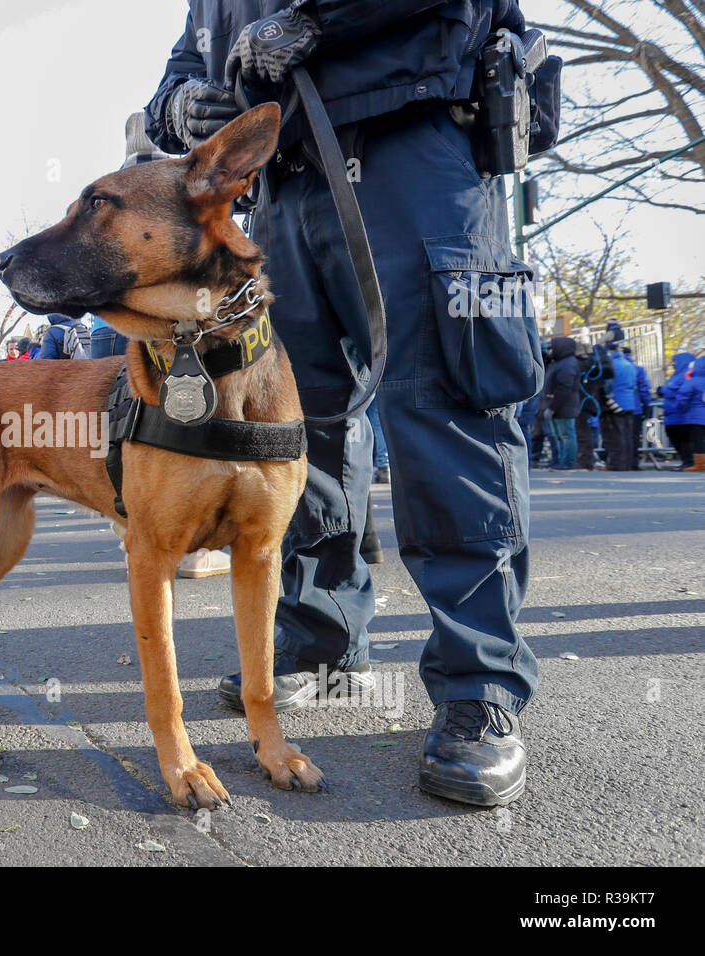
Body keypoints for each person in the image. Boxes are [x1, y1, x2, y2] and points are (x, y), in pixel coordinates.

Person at [146, 0, 557, 806]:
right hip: (284, 190)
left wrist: (316, 21)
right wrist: (180, 105)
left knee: (447, 409)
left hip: (415, 149)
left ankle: (481, 689)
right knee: (297, 434)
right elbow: (186, 62)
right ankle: (320, 644)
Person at [541, 336, 581, 471]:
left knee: (566, 435)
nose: (550, 351)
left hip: (563, 406)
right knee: (559, 435)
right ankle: (561, 461)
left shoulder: (568, 364)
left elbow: (564, 388)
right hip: (558, 405)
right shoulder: (560, 362)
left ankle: (567, 462)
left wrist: (552, 407)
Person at [663, 351, 703, 469]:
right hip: (673, 413)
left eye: (674, 361)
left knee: (684, 440)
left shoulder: (688, 375)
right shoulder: (677, 374)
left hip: (681, 413)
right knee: (678, 439)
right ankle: (687, 462)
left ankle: (690, 462)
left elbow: (681, 391)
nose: (673, 364)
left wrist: (664, 390)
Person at [603, 348, 640, 471]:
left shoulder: (611, 365)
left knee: (616, 435)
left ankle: (617, 463)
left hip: (615, 402)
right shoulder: (630, 365)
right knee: (628, 434)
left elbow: (607, 384)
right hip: (629, 402)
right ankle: (629, 462)